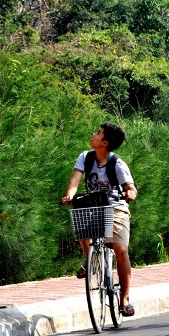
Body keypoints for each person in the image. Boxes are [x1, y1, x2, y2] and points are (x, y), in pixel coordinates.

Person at [61, 122, 138, 317]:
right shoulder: (85, 157)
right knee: (80, 214)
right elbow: (75, 181)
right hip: (94, 204)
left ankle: (125, 298)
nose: (93, 134)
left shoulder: (117, 163)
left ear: (104, 142)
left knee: (120, 250)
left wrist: (130, 194)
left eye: (98, 133)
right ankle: (90, 259)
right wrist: (70, 195)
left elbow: (131, 187)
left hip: (116, 207)